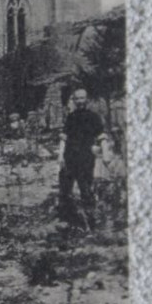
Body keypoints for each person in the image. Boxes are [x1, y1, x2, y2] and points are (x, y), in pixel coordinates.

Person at [58, 88, 107, 228]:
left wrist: (104, 152)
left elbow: (101, 135)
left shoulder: (94, 117)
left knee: (86, 188)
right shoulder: (70, 117)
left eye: (82, 98)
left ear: (87, 100)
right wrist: (60, 156)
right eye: (77, 98)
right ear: (73, 100)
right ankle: (69, 220)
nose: (79, 101)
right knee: (66, 189)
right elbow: (64, 137)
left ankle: (91, 221)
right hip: (70, 157)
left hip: (86, 157)